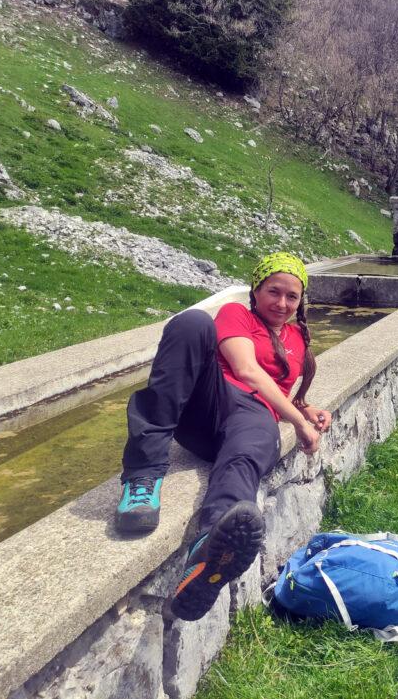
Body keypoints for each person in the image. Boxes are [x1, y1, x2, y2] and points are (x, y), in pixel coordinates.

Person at [115, 252, 332, 621]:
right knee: (192, 322)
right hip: (211, 404)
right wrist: (298, 422)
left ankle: (208, 549)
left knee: (250, 449)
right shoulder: (237, 315)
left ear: (301, 301)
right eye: (273, 292)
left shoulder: (297, 337)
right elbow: (247, 372)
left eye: (292, 296)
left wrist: (304, 408)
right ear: (256, 290)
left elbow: (277, 386)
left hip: (252, 419)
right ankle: (143, 477)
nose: (282, 303)